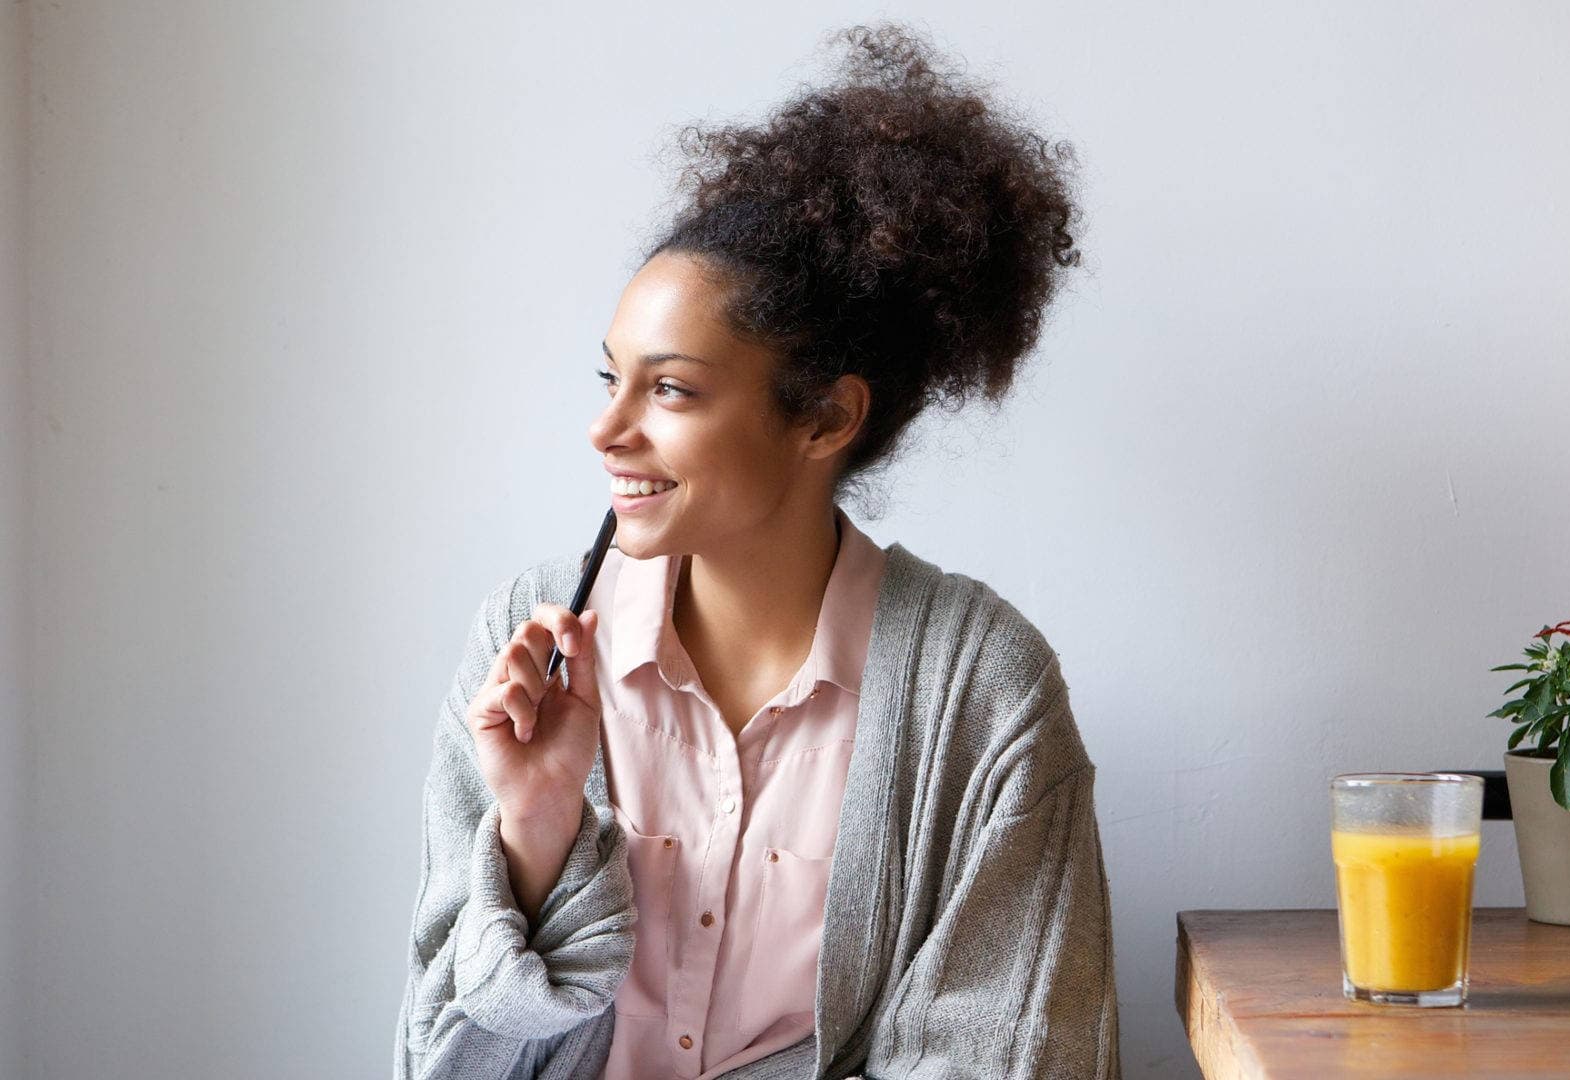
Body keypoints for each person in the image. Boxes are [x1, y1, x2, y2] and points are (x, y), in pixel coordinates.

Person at [394, 22, 1119, 1080]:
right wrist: (538, 833)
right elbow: (439, 1062)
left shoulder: (983, 689)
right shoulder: (526, 646)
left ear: (825, 418)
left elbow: (1017, 1056)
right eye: (612, 379)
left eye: (672, 389)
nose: (608, 430)